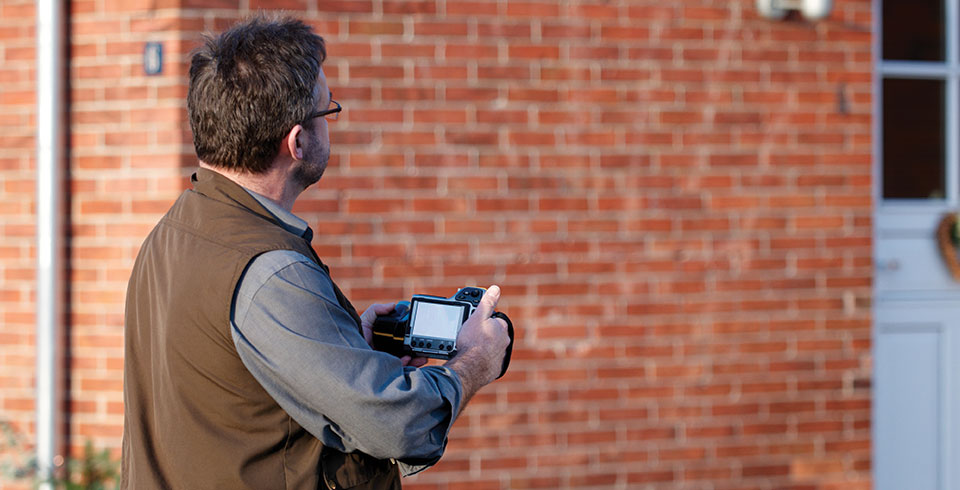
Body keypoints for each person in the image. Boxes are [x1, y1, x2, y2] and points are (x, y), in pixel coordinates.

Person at [121, 14, 511, 490]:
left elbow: (241, 387)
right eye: (328, 111)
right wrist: (473, 362)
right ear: (298, 141)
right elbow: (397, 424)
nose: (332, 122)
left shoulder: (175, 231)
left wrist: (342, 345)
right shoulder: (271, 271)